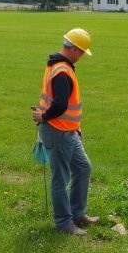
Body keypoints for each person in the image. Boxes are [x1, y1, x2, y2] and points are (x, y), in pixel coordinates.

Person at [31, 28, 98, 236]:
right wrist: (43, 117)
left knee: (83, 168)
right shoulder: (62, 70)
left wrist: (75, 126)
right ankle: (63, 222)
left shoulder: (60, 66)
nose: (81, 58)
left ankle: (78, 213)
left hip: (68, 131)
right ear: (75, 50)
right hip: (57, 131)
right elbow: (59, 105)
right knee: (61, 177)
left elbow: (64, 104)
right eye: (82, 53)